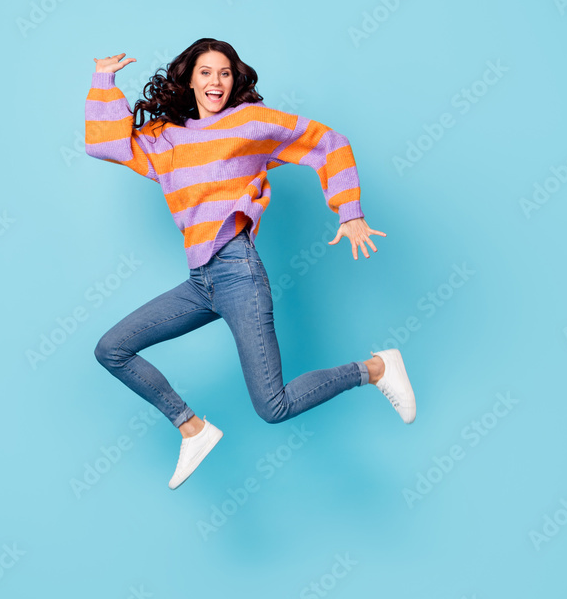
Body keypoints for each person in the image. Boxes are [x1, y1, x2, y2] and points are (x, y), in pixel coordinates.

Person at [85, 38, 416, 490]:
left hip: (238, 271)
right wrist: (104, 80)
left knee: (272, 407)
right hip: (200, 282)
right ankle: (192, 428)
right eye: (206, 72)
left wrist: (350, 211)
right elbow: (107, 145)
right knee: (112, 349)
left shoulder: (250, 123)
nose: (215, 82)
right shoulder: (166, 137)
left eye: (224, 73)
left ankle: (376, 368)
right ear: (189, 79)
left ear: (234, 80)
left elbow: (327, 142)